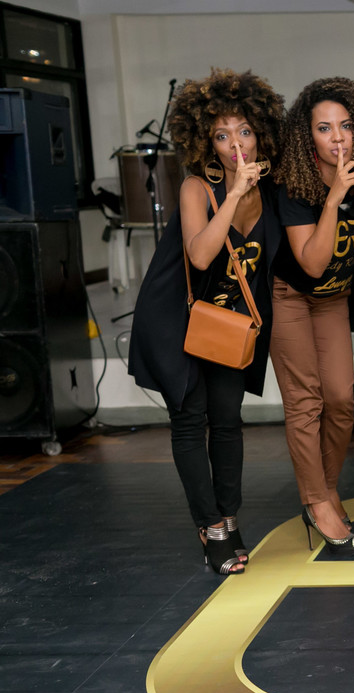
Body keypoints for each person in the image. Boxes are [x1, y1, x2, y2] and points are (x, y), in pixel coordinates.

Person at [129, 69, 285, 576]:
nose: (236, 144)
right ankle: (211, 527)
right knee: (190, 419)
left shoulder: (271, 190)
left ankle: (229, 516)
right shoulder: (198, 187)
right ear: (205, 142)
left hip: (226, 323)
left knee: (228, 421)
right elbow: (200, 256)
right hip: (176, 317)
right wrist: (234, 194)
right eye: (222, 135)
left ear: (261, 132)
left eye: (245, 131)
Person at [273, 77, 354, 557]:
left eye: (346, 126)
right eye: (324, 128)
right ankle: (317, 503)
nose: (337, 137)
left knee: (340, 399)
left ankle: (327, 489)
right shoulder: (294, 182)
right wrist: (333, 196)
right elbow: (312, 263)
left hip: (333, 297)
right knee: (305, 401)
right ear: (306, 135)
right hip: (291, 296)